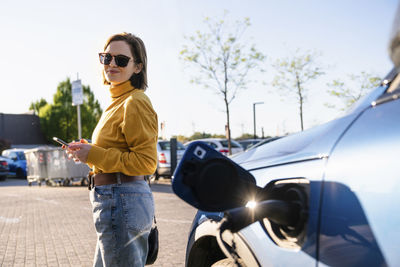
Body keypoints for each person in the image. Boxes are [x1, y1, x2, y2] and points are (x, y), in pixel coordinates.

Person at [65, 32, 158, 267]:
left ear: (137, 67)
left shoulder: (134, 101)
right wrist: (89, 151)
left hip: (122, 199)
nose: (112, 64)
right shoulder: (117, 102)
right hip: (116, 200)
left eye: (121, 60)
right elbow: (115, 151)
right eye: (107, 58)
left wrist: (95, 154)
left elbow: (146, 162)